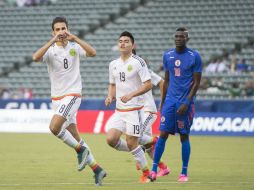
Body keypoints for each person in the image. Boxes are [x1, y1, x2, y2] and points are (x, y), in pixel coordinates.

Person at [32, 16, 106, 186]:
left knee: (54, 127)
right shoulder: (50, 50)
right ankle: (97, 169)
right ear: (53, 32)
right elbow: (35, 57)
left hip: (72, 95)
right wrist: (52, 41)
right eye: (57, 29)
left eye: (63, 28)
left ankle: (81, 150)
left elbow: (93, 53)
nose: (61, 32)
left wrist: (76, 38)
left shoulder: (74, 46)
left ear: (68, 29)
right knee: (75, 135)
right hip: (57, 99)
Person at [149, 27, 202, 182]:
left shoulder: (194, 56)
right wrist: (163, 101)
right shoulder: (168, 55)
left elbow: (197, 83)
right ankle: (153, 170)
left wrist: (187, 101)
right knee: (162, 134)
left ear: (187, 39)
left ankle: (184, 173)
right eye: (177, 36)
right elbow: (167, 81)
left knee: (184, 136)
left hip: (185, 102)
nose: (178, 38)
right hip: (170, 102)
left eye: (182, 36)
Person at [105, 31, 152, 183]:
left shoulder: (139, 62)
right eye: (120, 41)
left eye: (126, 41)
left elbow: (148, 84)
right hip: (119, 111)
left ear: (133, 45)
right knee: (111, 139)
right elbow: (112, 84)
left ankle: (146, 174)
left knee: (132, 142)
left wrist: (131, 95)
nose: (123, 43)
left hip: (134, 110)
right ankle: (140, 149)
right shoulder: (113, 64)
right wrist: (110, 96)